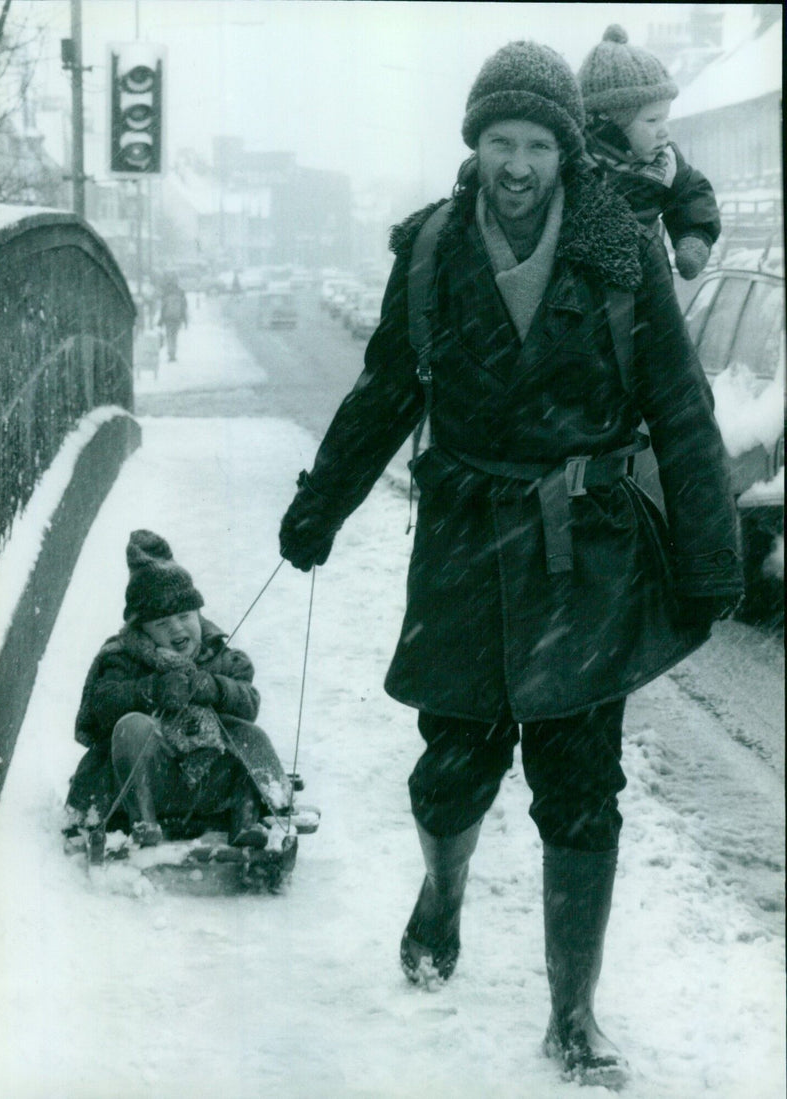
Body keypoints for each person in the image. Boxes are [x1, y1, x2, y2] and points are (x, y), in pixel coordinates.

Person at [279, 39, 743, 1088]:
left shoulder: (621, 248)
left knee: (579, 783)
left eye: (537, 142)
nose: (519, 163)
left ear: (567, 150)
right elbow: (385, 392)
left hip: (584, 552)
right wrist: (320, 505)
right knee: (453, 766)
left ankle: (570, 1014)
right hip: (462, 540)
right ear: (474, 143)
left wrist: (710, 557)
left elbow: (677, 405)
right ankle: (441, 896)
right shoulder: (434, 249)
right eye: (501, 140)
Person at [65, 530, 293, 848]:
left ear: (198, 613)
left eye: (184, 616)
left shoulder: (219, 655)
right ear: (141, 630)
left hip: (209, 782)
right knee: (132, 728)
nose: (176, 628)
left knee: (249, 737)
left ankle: (250, 820)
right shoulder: (123, 657)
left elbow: (249, 703)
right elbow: (102, 703)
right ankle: (143, 823)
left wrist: (213, 687)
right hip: (145, 781)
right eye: (161, 624)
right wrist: (151, 689)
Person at [578, 25, 721, 280]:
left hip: (648, 282)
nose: (664, 132)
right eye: (652, 120)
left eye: (665, 119)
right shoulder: (576, 165)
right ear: (609, 124)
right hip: (585, 286)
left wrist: (694, 238)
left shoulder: (664, 163)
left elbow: (691, 194)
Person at [158, 275, 189, 362]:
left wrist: (160, 320)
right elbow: (184, 307)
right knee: (175, 336)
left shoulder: (166, 293)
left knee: (169, 336)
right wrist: (185, 320)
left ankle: (170, 353)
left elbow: (163, 308)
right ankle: (173, 354)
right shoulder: (181, 292)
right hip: (177, 318)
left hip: (168, 318)